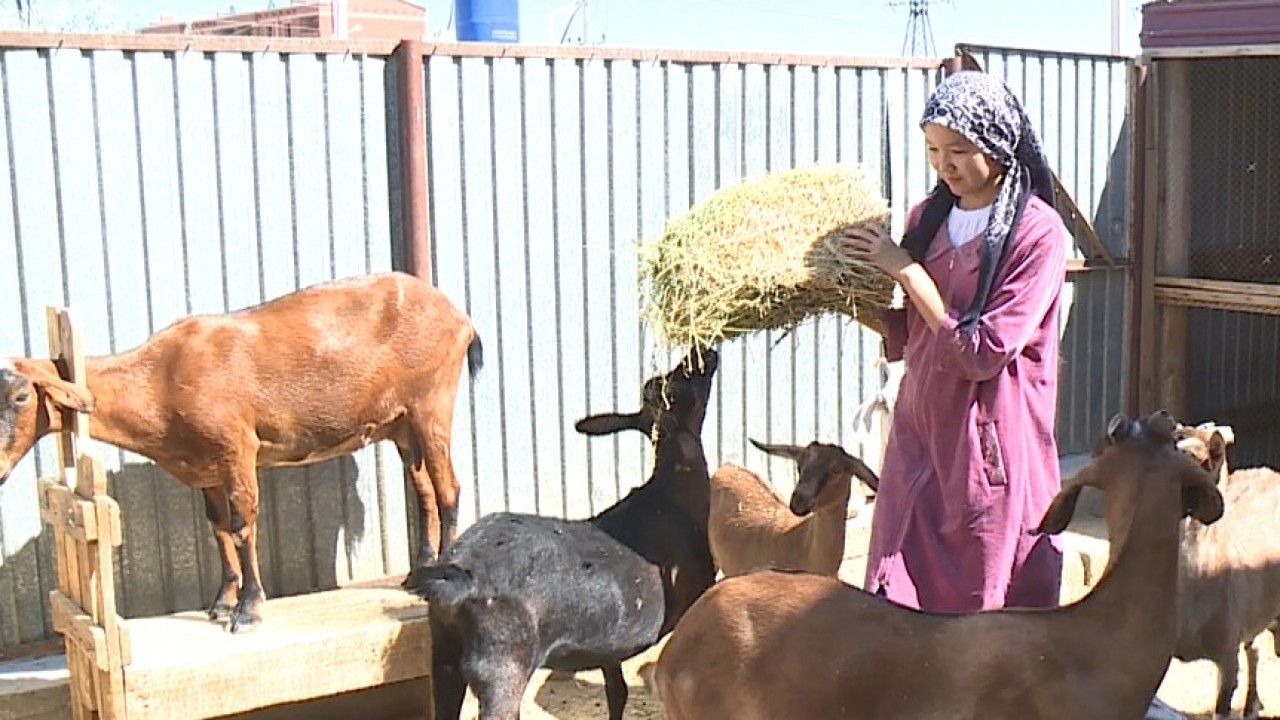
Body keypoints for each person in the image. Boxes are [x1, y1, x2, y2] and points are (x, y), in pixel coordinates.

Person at [841, 70, 1068, 614]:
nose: (944, 165)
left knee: (984, 598)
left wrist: (908, 273)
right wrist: (842, 293)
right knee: (900, 601)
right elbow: (913, 333)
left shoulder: (1038, 233)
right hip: (922, 433)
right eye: (933, 149)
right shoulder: (929, 218)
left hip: (988, 443)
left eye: (959, 150)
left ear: (995, 143)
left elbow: (983, 352)